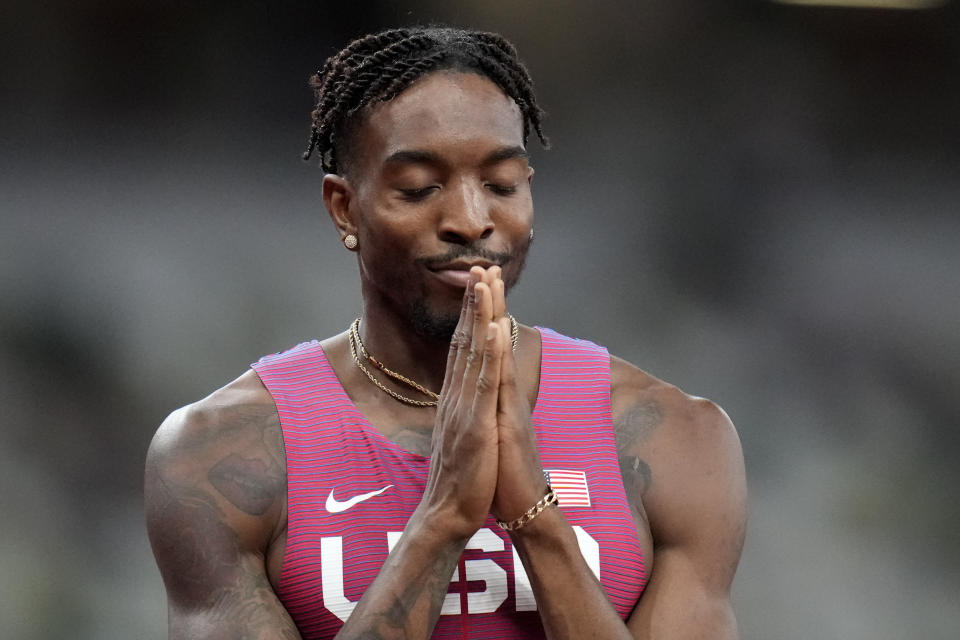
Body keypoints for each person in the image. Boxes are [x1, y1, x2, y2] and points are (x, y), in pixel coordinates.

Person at [145, 26, 747, 640]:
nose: (470, 220)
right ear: (344, 209)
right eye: (420, 189)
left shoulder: (677, 438)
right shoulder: (219, 451)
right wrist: (443, 518)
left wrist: (535, 519)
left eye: (501, 185)